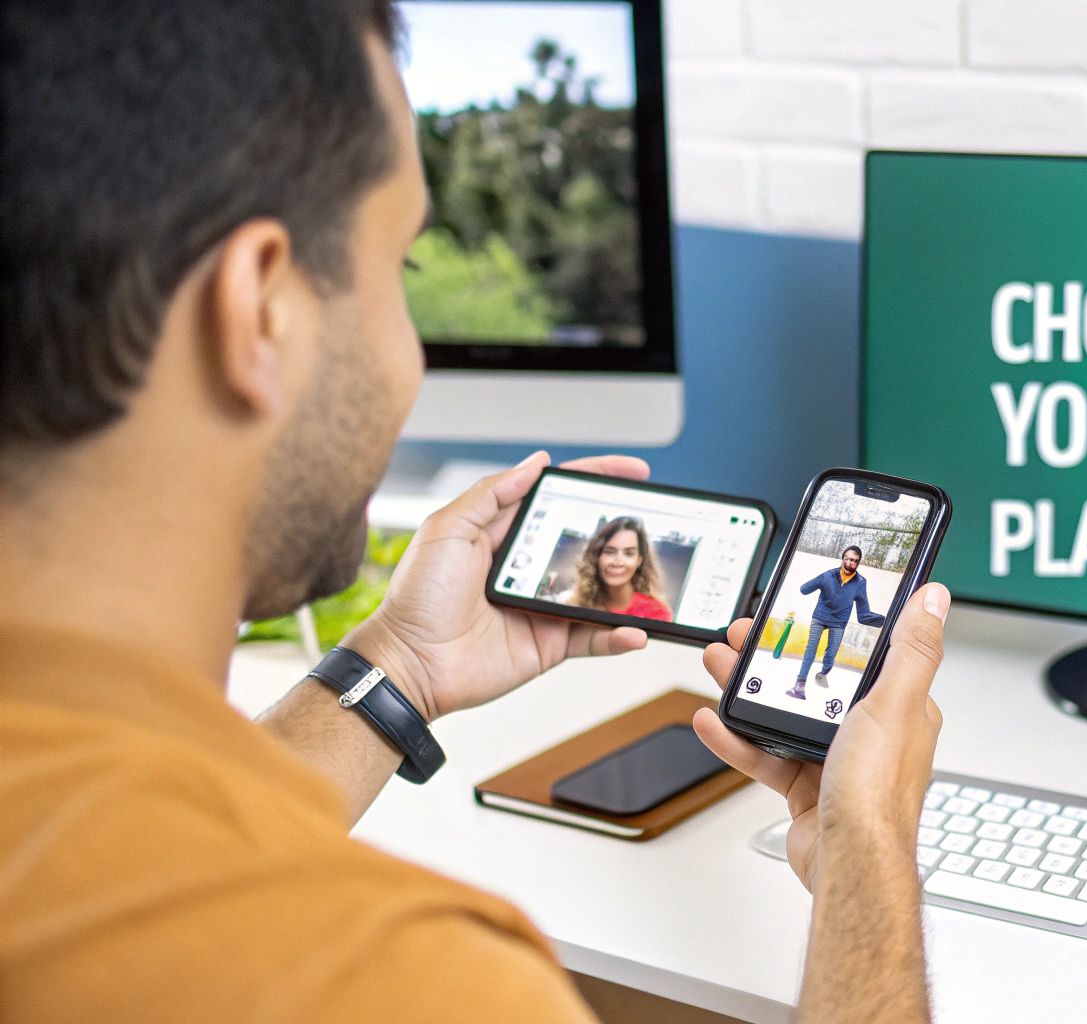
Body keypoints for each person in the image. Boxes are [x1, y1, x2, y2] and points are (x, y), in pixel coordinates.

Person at [0, 3, 946, 1021]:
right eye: (397, 270)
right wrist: (869, 846)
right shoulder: (399, 977)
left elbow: (141, 849)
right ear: (259, 309)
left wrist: (399, 665)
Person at [790, 544, 887, 700]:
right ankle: (800, 684)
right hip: (820, 617)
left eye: (854, 560)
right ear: (842, 559)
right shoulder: (827, 576)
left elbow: (863, 614)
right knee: (811, 649)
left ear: (858, 563)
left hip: (839, 623)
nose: (850, 563)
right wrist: (814, 584)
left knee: (831, 655)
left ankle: (822, 674)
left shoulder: (861, 582)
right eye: (847, 559)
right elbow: (804, 589)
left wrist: (885, 621)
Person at [555, 516, 673, 621]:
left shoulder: (656, 612)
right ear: (597, 556)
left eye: (628, 554)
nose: (618, 562)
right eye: (610, 552)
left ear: (639, 560)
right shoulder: (575, 604)